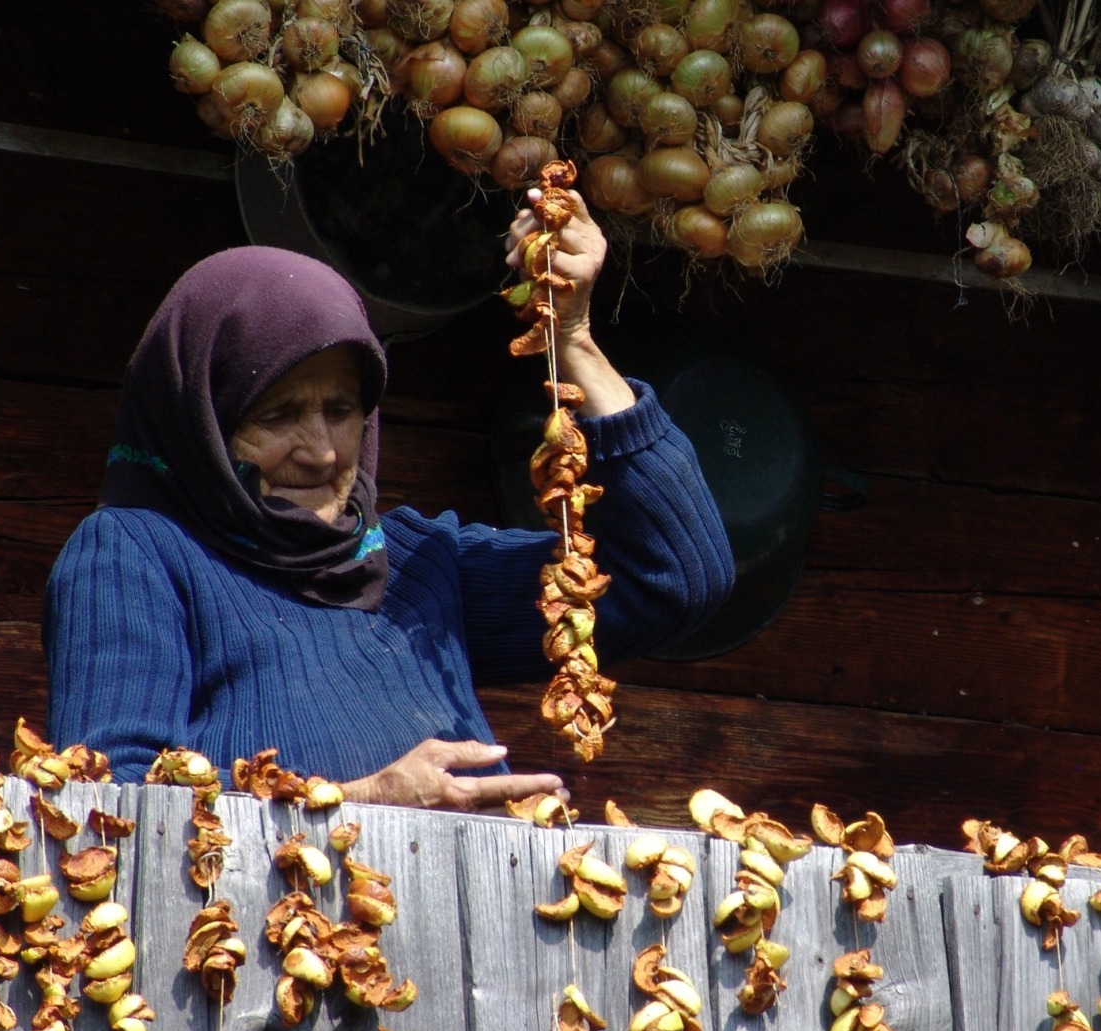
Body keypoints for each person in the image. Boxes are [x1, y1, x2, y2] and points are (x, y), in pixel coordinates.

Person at [43, 191, 734, 810]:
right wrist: (360, 801)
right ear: (199, 420)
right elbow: (106, 804)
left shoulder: (419, 568)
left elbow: (675, 578)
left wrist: (574, 338)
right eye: (279, 416)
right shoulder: (137, 555)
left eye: (341, 410)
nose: (321, 451)